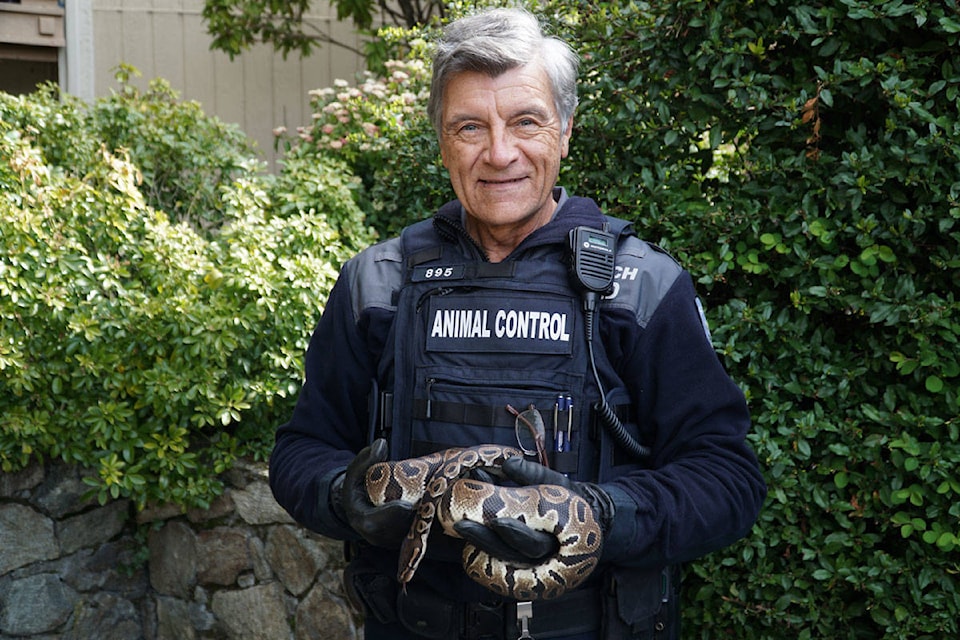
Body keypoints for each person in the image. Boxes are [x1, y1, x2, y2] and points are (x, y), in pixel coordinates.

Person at [269, 7, 766, 639]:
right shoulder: (380, 285)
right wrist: (344, 495)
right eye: (469, 127)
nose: (499, 153)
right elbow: (299, 450)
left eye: (525, 121)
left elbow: (728, 479)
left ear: (564, 130)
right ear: (442, 141)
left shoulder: (638, 287)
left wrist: (603, 513)